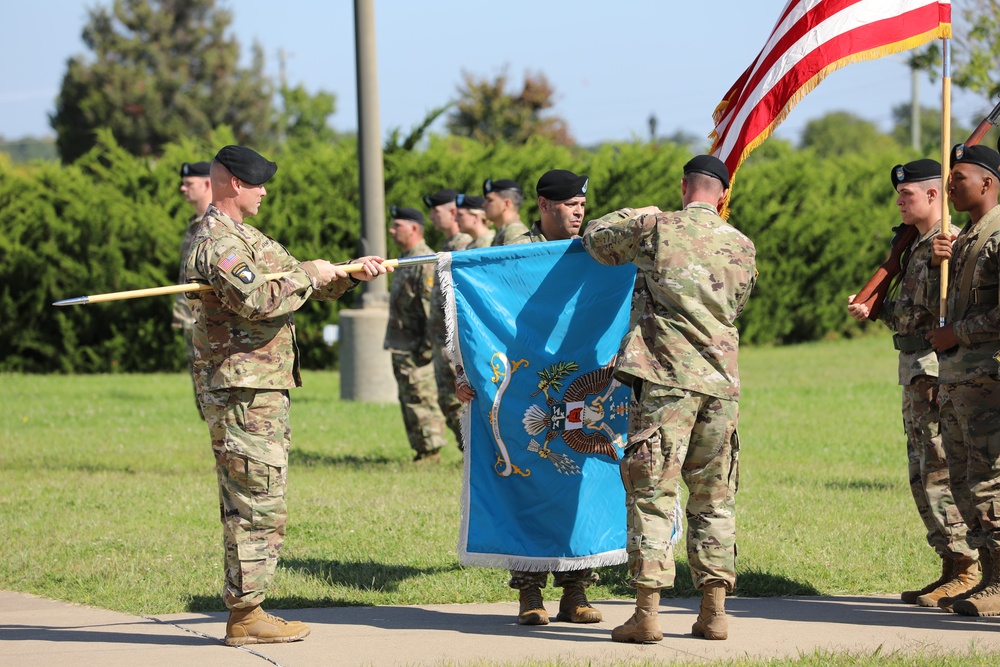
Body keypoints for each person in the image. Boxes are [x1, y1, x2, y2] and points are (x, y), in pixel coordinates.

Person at [186, 145, 389, 646]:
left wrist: (345, 273)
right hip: (242, 390)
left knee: (260, 498)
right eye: (257, 183)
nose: (264, 191)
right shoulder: (218, 242)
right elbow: (256, 298)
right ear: (234, 183)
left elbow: (293, 277)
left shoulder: (247, 236)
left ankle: (248, 609)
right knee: (255, 502)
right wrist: (309, 275)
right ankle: (246, 615)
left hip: (259, 388)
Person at [582, 155, 756, 643]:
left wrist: (637, 213)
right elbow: (736, 304)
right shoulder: (742, 244)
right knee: (714, 496)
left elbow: (596, 240)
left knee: (653, 491)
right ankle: (714, 610)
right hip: (721, 386)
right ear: (721, 195)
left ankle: (647, 614)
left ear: (684, 187)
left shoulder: (657, 228)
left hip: (666, 380)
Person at [459, 169, 604, 627]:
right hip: (521, 387)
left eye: (583, 203)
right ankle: (529, 593)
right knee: (522, 480)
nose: (580, 210)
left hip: (579, 387)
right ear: (545, 205)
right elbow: (476, 315)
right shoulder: (510, 254)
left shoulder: (598, 252)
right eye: (570, 203)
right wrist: (464, 373)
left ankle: (576, 590)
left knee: (579, 479)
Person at [847, 159, 976, 607]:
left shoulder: (951, 244)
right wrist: (875, 308)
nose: (900, 201)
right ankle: (949, 563)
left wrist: (950, 260)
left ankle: (968, 565)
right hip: (914, 368)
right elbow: (913, 311)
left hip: (937, 369)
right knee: (922, 473)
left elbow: (960, 307)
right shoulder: (914, 247)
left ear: (935, 195)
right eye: (899, 195)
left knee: (942, 468)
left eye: (909, 194)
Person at [927, 143, 1000, 617]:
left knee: (991, 482)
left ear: (989, 183)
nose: (950, 186)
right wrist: (938, 266)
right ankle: (991, 579)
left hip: (988, 380)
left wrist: (960, 332)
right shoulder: (965, 237)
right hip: (958, 381)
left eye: (959, 179)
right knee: (965, 483)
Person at [385, 205, 450, 462]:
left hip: (417, 348)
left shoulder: (422, 261)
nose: (391, 230)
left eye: (396, 225)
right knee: (410, 398)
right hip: (404, 344)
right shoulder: (406, 258)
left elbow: (428, 307)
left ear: (414, 229)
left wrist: (426, 347)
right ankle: (423, 450)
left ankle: (431, 451)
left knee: (421, 397)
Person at [424, 190, 471, 448]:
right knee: (447, 401)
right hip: (442, 341)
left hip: (455, 343)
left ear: (453, 212)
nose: (431, 217)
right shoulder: (449, 245)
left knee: (458, 402)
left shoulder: (463, 245)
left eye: (436, 211)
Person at [171, 160, 212, 419]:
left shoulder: (213, 225)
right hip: (191, 320)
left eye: (189, 184)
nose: (182, 188)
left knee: (212, 396)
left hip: (206, 323)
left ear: (208, 184)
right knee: (202, 397)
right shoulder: (195, 223)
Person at [483, 178, 529, 246]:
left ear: (506, 203)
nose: (484, 205)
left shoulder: (515, 233)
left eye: (490, 200)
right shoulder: (506, 231)